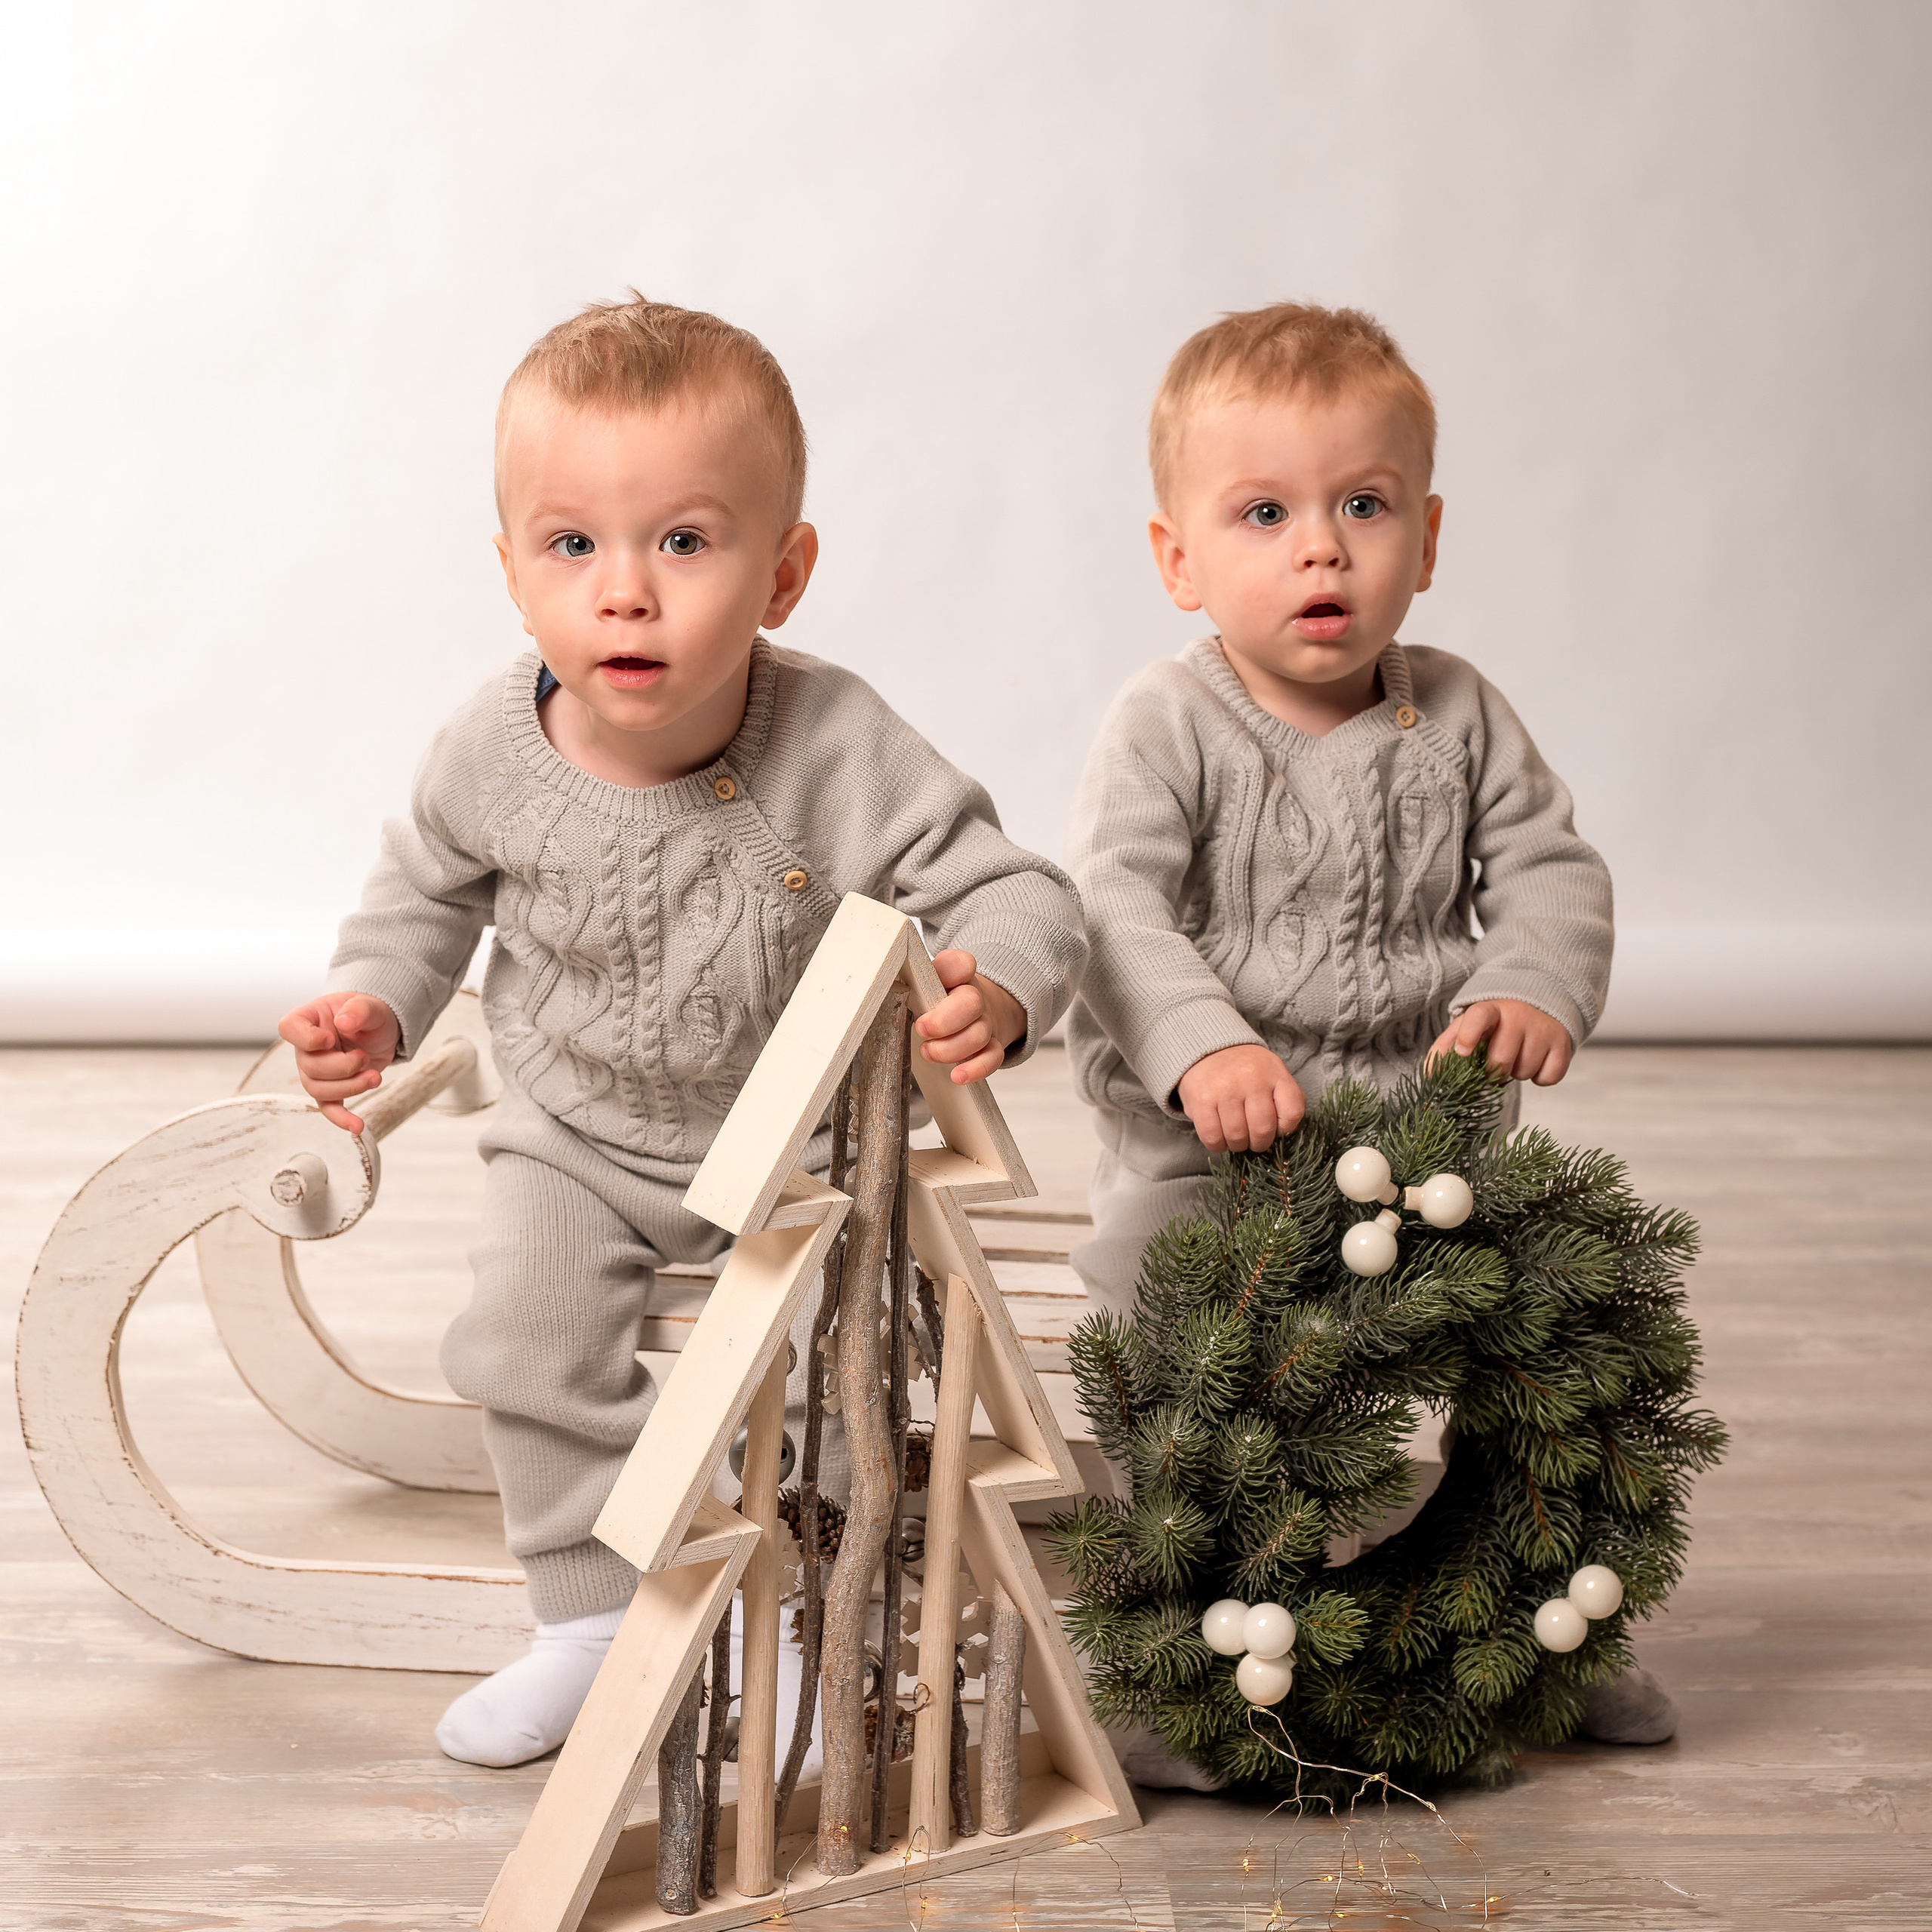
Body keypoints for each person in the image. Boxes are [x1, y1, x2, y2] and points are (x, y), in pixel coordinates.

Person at [278, 295, 1086, 1767]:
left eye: (686, 541)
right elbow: (421, 891)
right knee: (518, 1331)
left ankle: (786, 1621)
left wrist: (1001, 976)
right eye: (572, 543)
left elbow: (1010, 880)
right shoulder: (488, 748)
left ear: (782, 572)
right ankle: (586, 1619)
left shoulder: (831, 739)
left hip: (790, 1148)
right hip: (574, 1133)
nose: (625, 593)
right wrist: (375, 1000)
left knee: (814, 1385)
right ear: (513, 569)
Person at [1066, 302, 1672, 1764]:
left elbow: (1547, 866)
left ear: (1427, 533)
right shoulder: (1166, 725)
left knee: (1553, 1333)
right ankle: (1175, 1642)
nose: (1319, 548)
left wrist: (1527, 979)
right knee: (1153, 1309)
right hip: (1214, 1155)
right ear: (1178, 559)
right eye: (1262, 513)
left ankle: (1548, 1607)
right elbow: (1113, 909)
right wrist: (1203, 1045)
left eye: (1361, 505)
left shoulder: (1458, 713)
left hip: (1420, 1144)